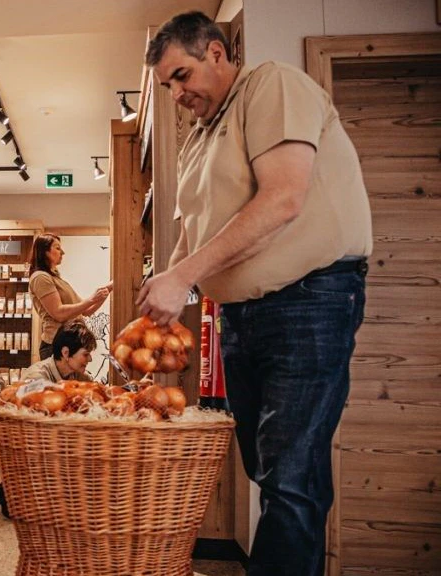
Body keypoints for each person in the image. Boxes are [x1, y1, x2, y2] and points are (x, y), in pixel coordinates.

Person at [140, 12, 371, 576]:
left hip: (309, 299)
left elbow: (283, 199)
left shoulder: (272, 84)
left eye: (181, 75)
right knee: (269, 471)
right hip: (243, 314)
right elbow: (193, 239)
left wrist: (184, 278)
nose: (177, 93)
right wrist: (161, 304)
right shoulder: (198, 138)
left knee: (290, 478)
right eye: (167, 84)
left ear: (217, 53)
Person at [0, 320, 98, 517]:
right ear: (66, 353)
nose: (90, 359)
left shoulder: (80, 377)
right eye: (85, 354)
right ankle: (10, 488)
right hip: (33, 451)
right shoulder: (37, 376)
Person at [27, 233, 112, 359]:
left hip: (70, 343)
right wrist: (93, 298)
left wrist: (109, 288)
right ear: (45, 252)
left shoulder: (55, 278)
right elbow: (59, 313)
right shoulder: (40, 277)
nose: (63, 252)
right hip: (56, 345)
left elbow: (87, 310)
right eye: (57, 248)